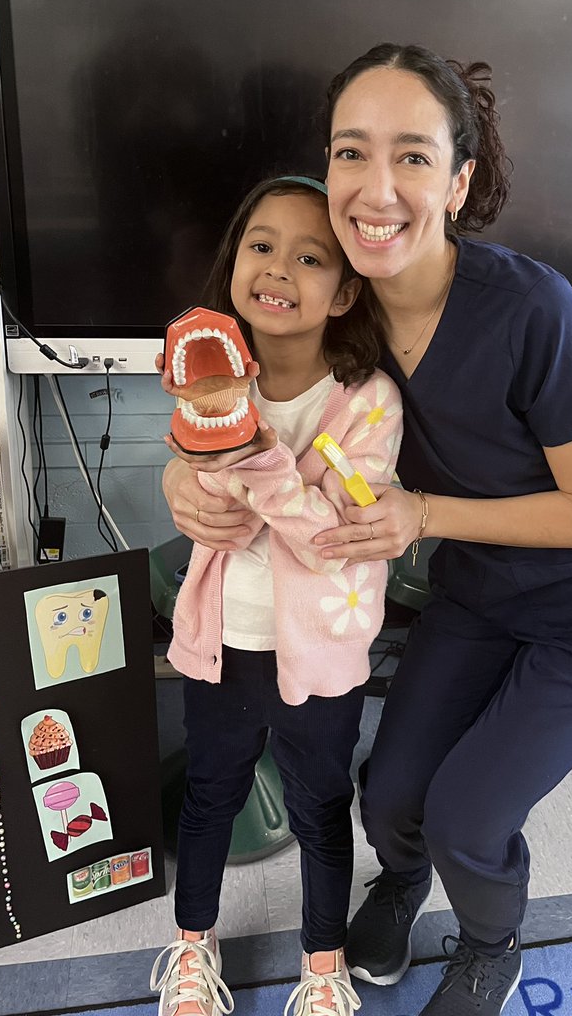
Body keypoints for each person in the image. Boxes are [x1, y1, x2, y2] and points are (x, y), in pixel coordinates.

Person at [161, 47, 572, 1016]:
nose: (375, 186)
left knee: (466, 816)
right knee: (390, 792)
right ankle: (398, 883)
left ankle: (492, 942)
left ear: (460, 182)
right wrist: (180, 475)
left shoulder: (532, 311)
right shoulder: (342, 312)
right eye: (351, 153)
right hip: (483, 589)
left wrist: (423, 514)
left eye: (412, 156)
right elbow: (236, 411)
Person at [151, 174, 402, 1016]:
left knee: (320, 806)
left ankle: (322, 964)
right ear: (233, 263)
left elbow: (332, 539)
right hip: (219, 639)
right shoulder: (210, 378)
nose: (278, 269)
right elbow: (204, 501)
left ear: (346, 289)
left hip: (322, 651)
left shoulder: (367, 406)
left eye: (309, 257)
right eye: (261, 246)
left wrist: (247, 452)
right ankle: (192, 945)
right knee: (211, 793)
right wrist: (184, 466)